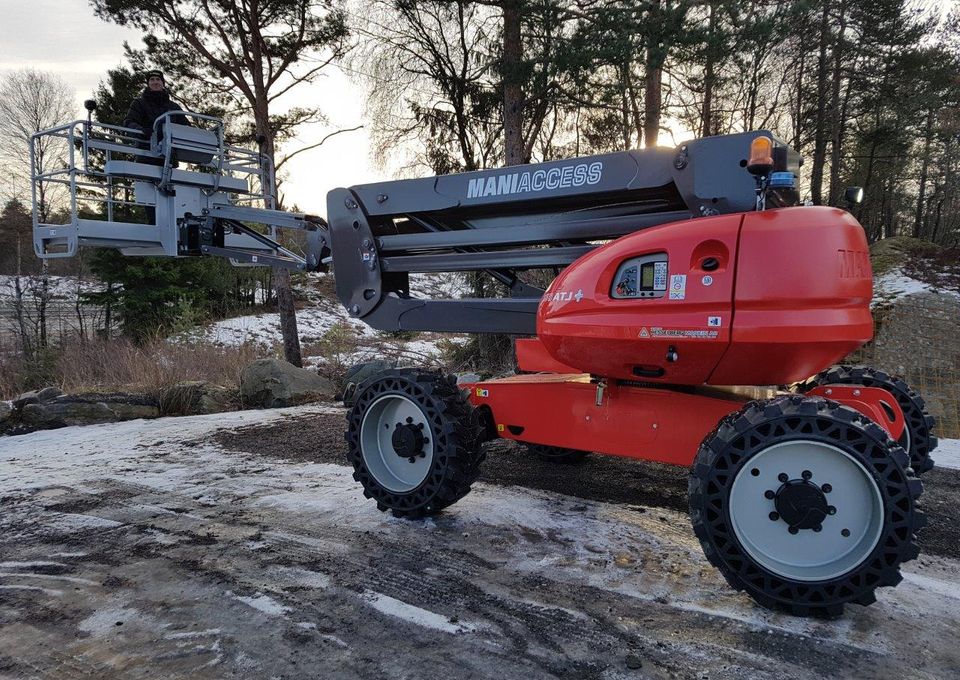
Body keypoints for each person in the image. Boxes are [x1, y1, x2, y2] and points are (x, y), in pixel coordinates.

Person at [122, 70, 190, 223]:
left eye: (158, 79)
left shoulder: (173, 106)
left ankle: (171, 224)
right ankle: (154, 226)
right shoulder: (139, 103)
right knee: (149, 197)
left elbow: (186, 127)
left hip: (168, 158)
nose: (155, 82)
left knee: (170, 194)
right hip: (146, 155)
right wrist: (143, 132)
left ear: (163, 83)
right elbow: (129, 123)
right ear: (148, 83)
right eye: (152, 79)